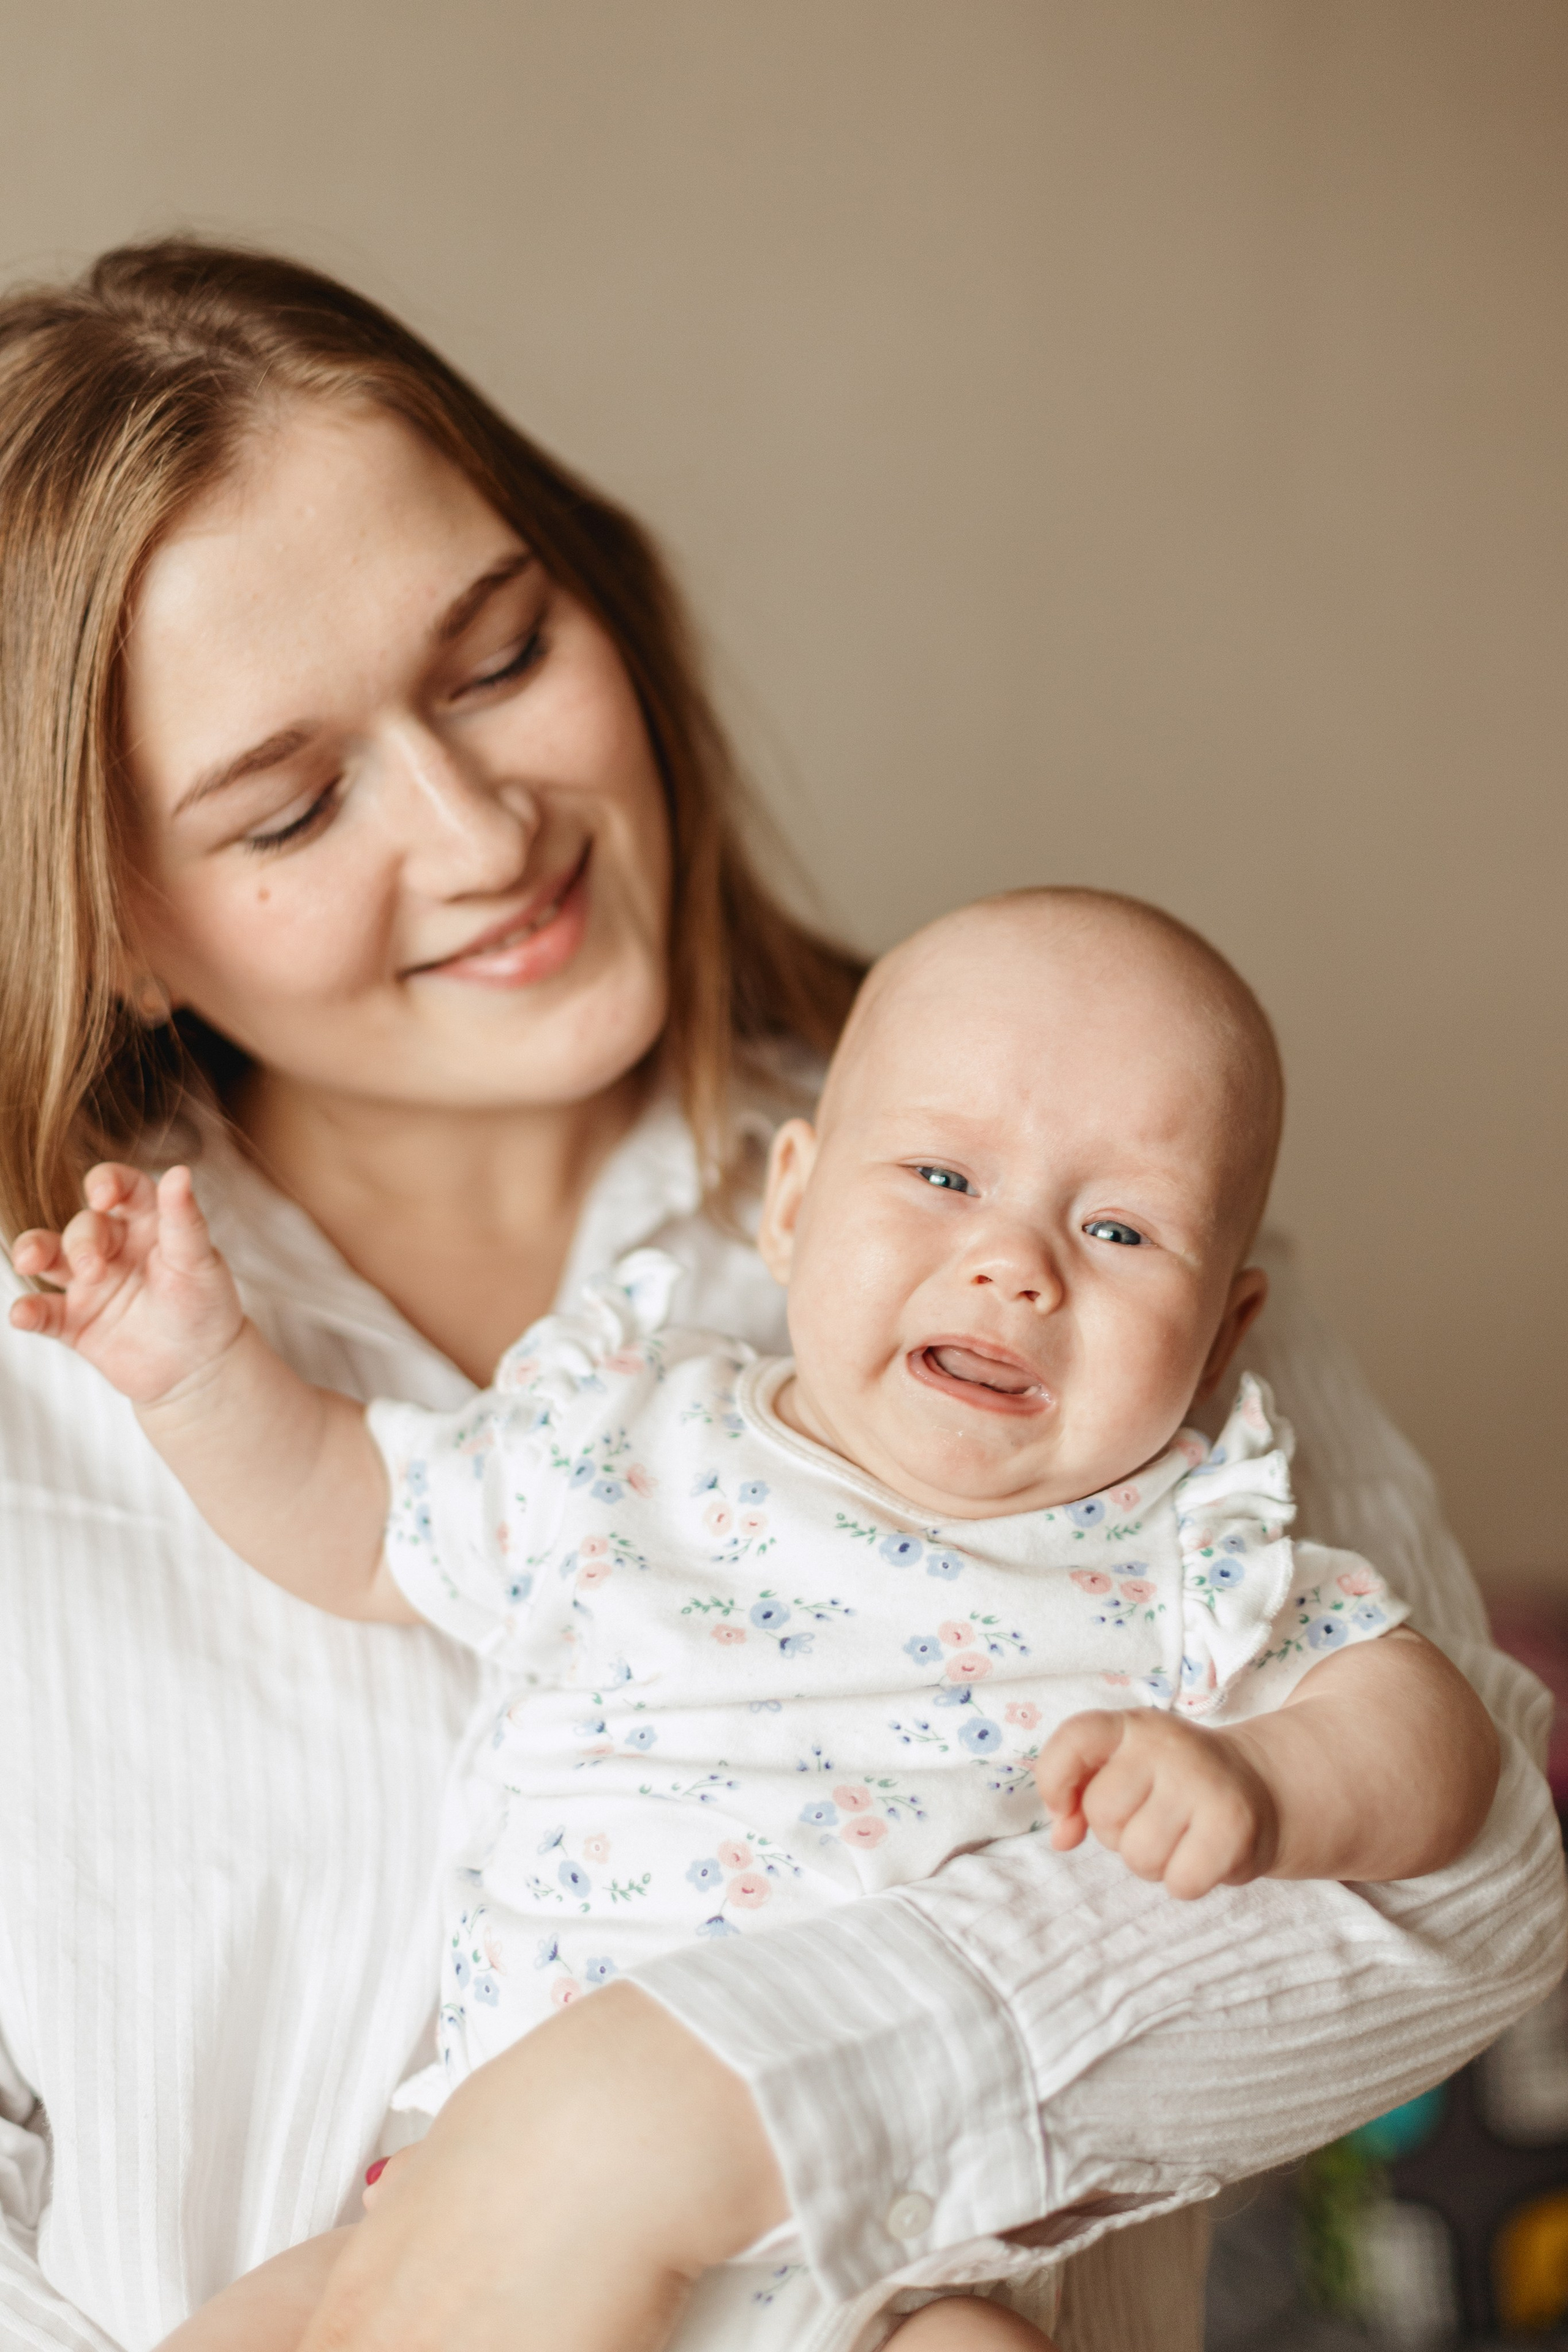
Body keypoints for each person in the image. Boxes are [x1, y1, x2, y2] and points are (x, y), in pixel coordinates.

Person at [0, 240, 1559, 2352]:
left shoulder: (1108, 1271)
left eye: (501, 655)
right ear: (109, 918)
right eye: (292, 805)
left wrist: (665, 2119)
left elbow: (1475, 1881)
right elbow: (355, 1513)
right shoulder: (440, 1416)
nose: (482, 832)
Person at [13, 889, 1505, 2352]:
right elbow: (356, 1518)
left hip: (873, 2265)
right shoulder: (625, 1441)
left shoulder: (1179, 1550)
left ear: (1223, 1335)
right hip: (469, 2236)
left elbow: (1435, 1746)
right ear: (788, 1204)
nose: (1015, 1265)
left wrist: (1264, 1781)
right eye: (942, 1177)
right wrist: (197, 1374)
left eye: (1118, 1229)